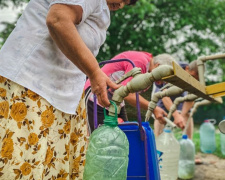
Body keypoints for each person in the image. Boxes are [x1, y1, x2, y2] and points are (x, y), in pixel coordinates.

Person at [0, 0, 137, 179]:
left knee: (52, 168)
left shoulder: (102, 8)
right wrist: (95, 72)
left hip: (63, 96)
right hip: (31, 86)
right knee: (22, 163)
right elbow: (58, 19)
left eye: (126, 3)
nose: (121, 4)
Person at [84, 51, 176, 133]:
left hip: (115, 101)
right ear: (158, 66)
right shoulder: (141, 62)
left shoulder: (147, 69)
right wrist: (154, 108)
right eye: (164, 77)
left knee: (126, 135)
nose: (164, 82)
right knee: (99, 139)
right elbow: (129, 95)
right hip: (96, 95)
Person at [153, 60, 199, 139]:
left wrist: (181, 115)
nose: (193, 79)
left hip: (181, 93)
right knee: (161, 114)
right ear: (187, 68)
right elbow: (164, 95)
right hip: (163, 91)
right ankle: (158, 144)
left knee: (187, 114)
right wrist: (176, 115)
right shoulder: (173, 69)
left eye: (196, 79)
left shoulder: (198, 76)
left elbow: (191, 98)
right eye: (192, 76)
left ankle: (187, 142)